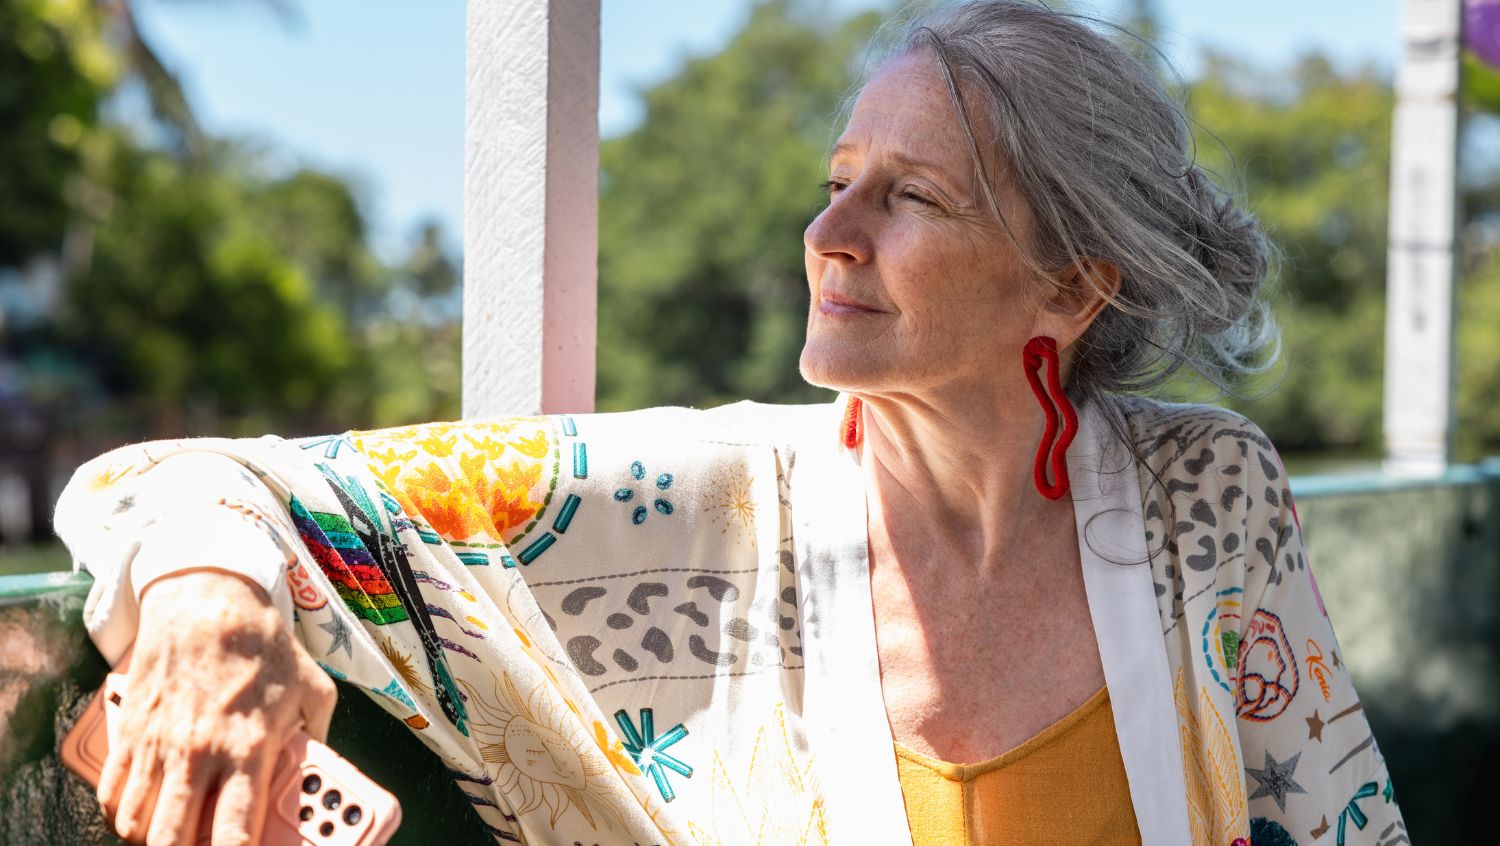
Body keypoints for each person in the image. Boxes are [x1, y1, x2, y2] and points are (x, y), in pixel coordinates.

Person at [55, 2, 1407, 844]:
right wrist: (214, 613)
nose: (828, 235)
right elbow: (189, 481)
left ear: (1070, 283)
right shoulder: (685, 503)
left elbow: (1334, 809)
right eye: (835, 183)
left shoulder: (1205, 493)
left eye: (910, 199)